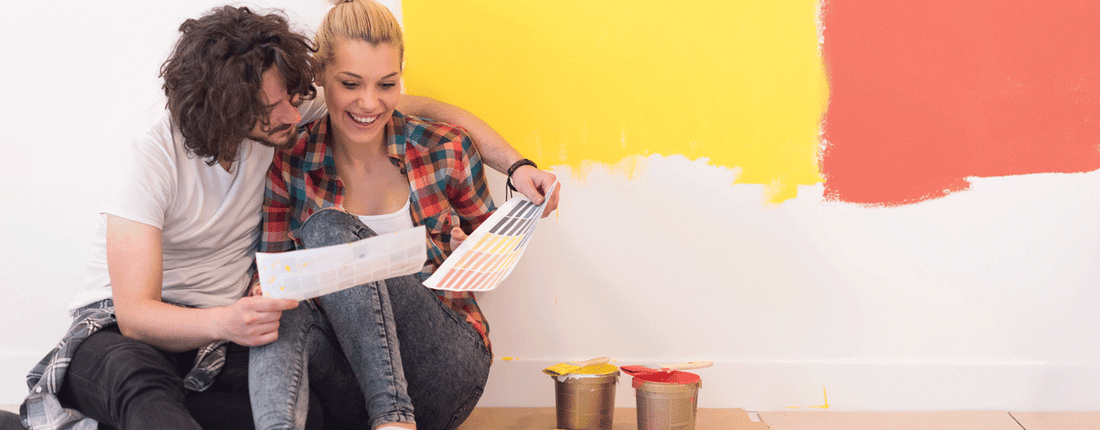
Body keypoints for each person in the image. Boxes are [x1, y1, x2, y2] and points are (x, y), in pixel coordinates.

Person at [20, 5, 558, 430]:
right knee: (167, 380)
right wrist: (237, 312)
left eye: (293, 100)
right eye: (271, 107)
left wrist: (515, 167)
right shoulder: (184, 154)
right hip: (140, 334)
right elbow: (139, 313)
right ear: (226, 110)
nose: (290, 115)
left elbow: (425, 112)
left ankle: (392, 418)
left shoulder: (311, 124)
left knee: (321, 268)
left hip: (397, 359)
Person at [249, 1, 535, 429]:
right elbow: (271, 280)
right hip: (344, 384)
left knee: (328, 226)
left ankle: (394, 419)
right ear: (321, 77)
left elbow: (493, 259)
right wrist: (261, 292)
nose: (369, 103)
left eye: (387, 84)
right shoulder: (289, 161)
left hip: (442, 367)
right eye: (350, 84)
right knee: (280, 306)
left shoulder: (445, 149)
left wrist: (470, 255)